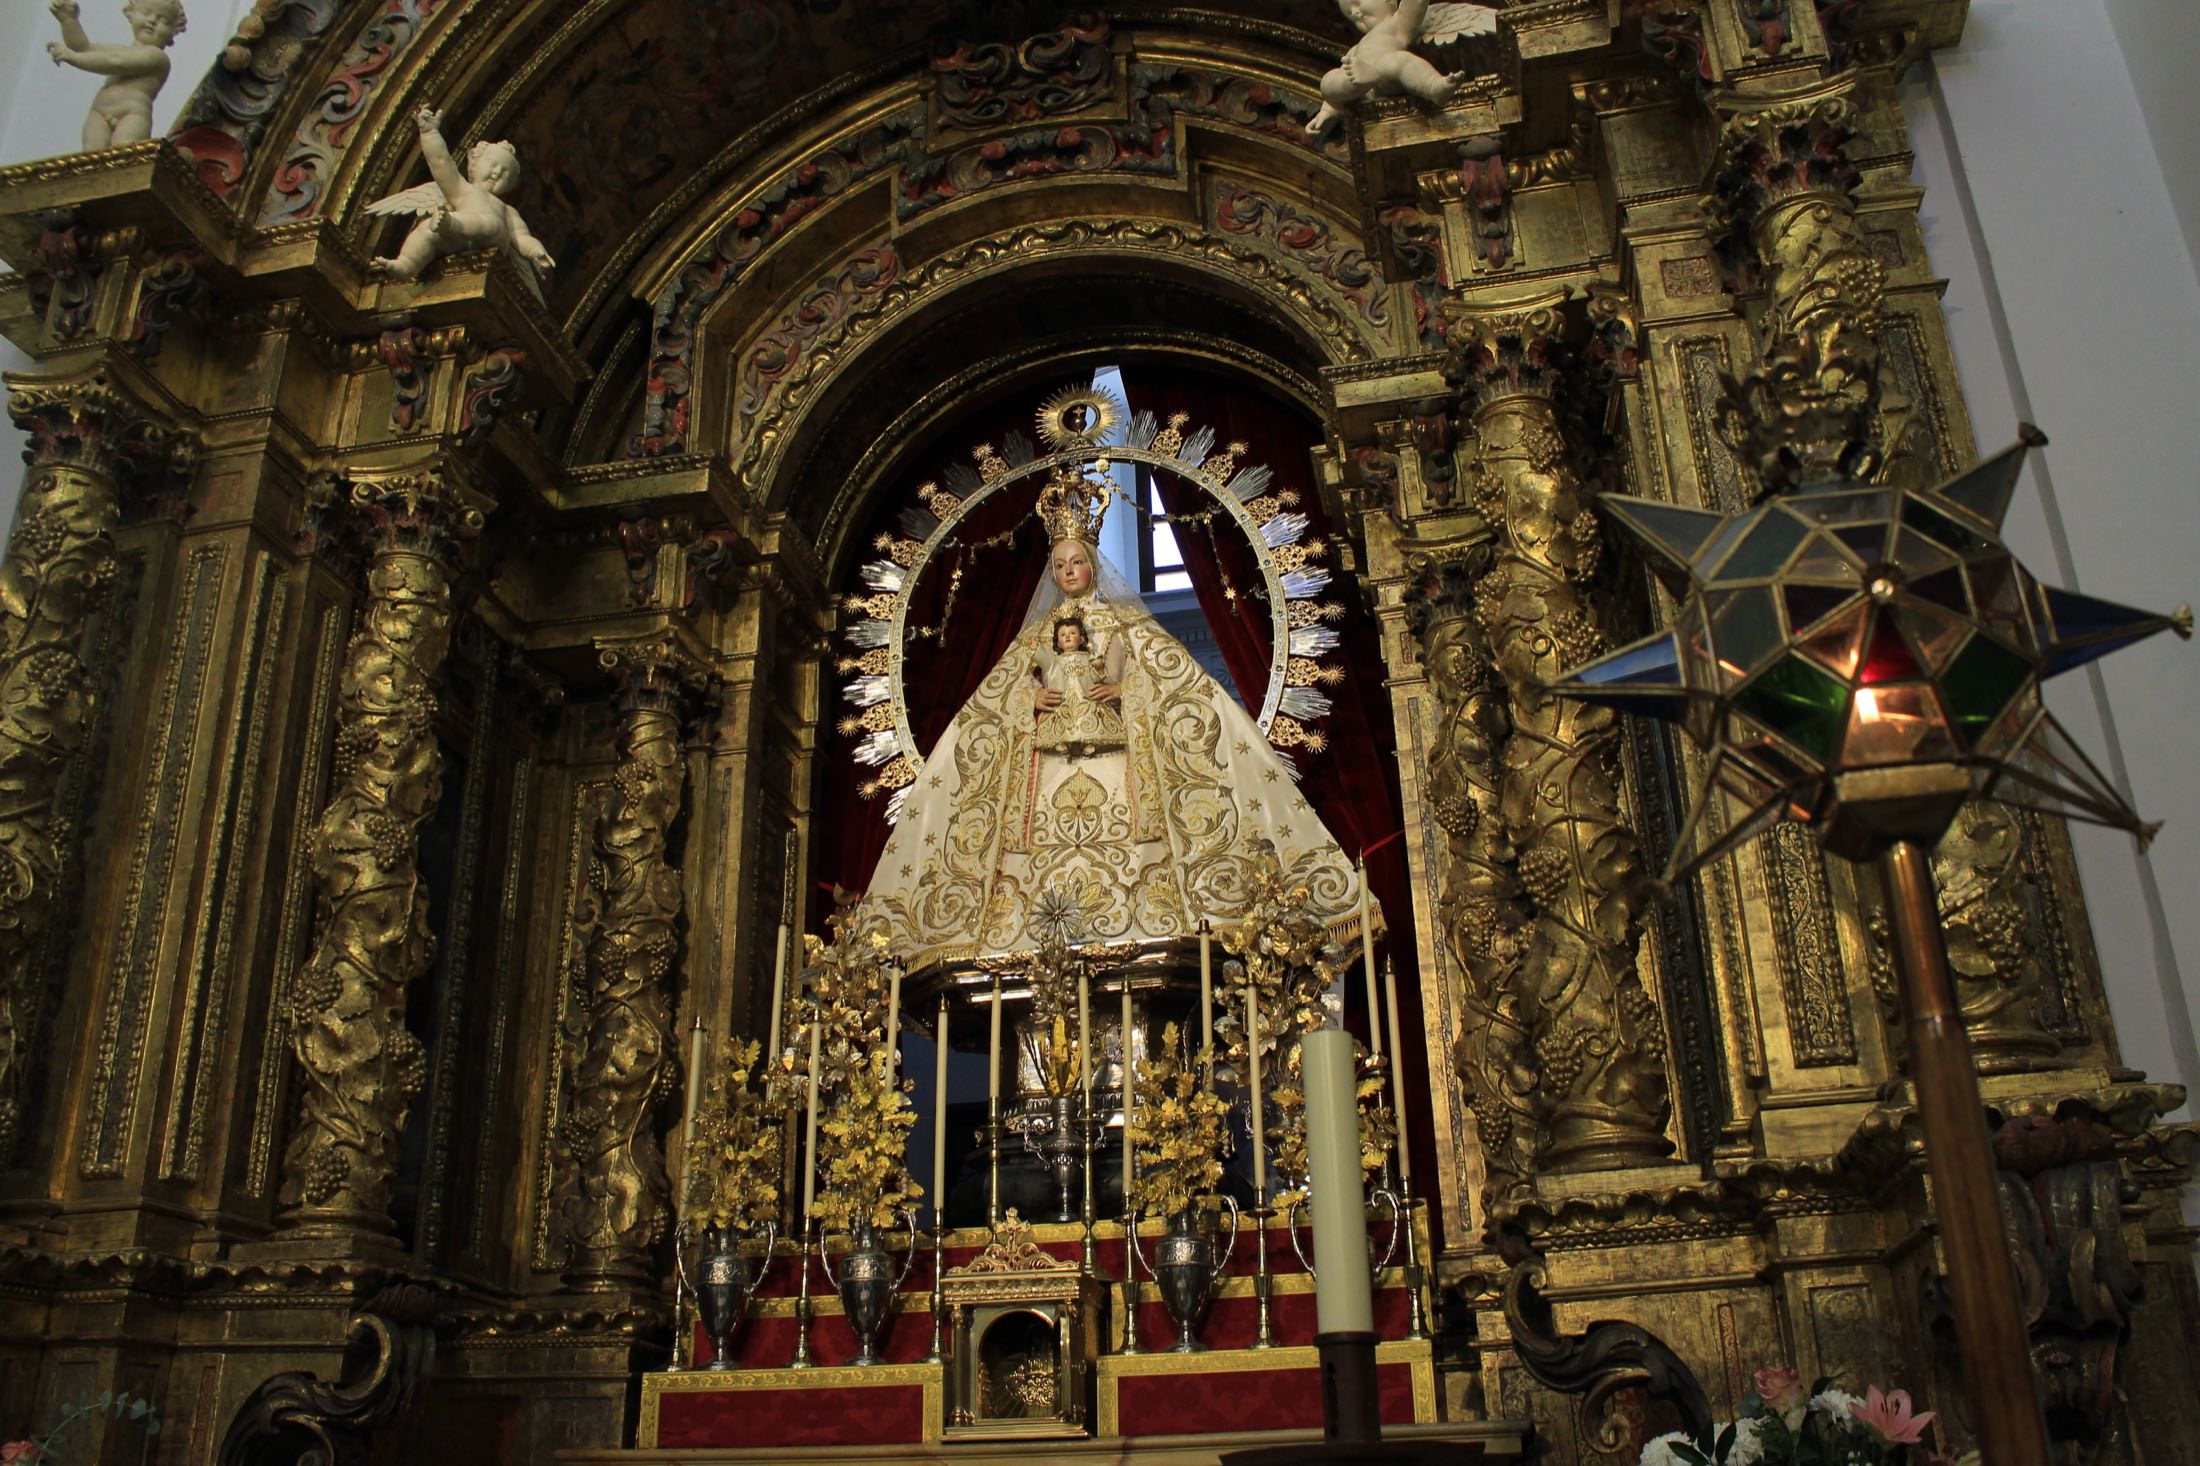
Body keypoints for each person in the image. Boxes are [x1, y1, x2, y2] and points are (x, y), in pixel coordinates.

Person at [858, 468, 1372, 964]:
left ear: (1093, 565)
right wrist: (1027, 703)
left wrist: (1126, 690)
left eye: (1076, 563)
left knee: (1142, 872)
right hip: (1047, 781)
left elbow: (1177, 686)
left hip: (1118, 769)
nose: (1068, 574)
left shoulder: (1123, 623)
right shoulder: (1034, 637)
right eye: (1059, 566)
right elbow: (994, 704)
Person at [46, 0, 185, 151]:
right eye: (146, 13)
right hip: (99, 112)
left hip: (131, 115)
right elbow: (82, 48)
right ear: (130, 14)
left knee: (124, 153)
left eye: (163, 20)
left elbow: (116, 63)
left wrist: (74, 58)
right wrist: (69, 21)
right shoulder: (121, 49)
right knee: (90, 154)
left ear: (172, 32)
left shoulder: (157, 57)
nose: (152, 21)